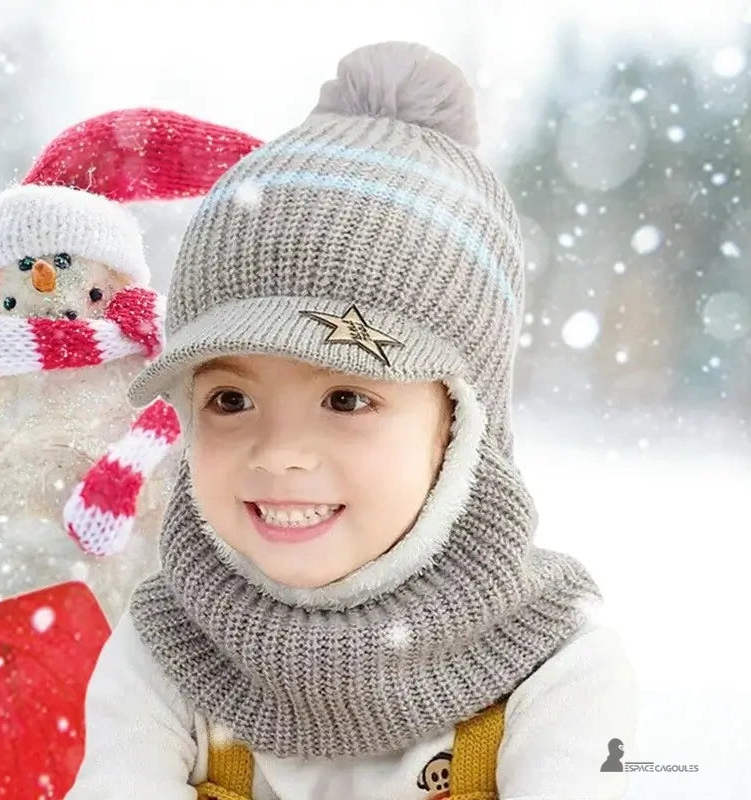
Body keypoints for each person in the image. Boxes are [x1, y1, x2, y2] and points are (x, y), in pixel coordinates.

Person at [66, 40, 637, 800]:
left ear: (461, 430)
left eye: (346, 399)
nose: (280, 453)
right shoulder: (162, 660)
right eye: (230, 400)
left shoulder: (556, 674)